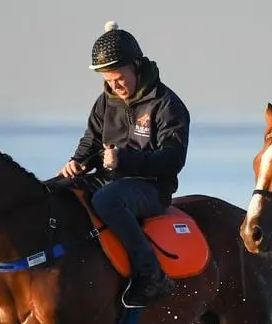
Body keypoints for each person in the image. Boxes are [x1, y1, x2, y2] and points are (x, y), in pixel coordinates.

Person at [59, 21, 190, 308]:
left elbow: (172, 161)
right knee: (57, 191)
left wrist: (124, 159)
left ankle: (151, 274)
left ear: (137, 66)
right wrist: (77, 162)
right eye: (108, 81)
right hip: (110, 179)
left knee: (107, 201)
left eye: (119, 78)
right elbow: (91, 139)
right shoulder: (106, 100)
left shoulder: (167, 105)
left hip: (151, 188)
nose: (115, 86)